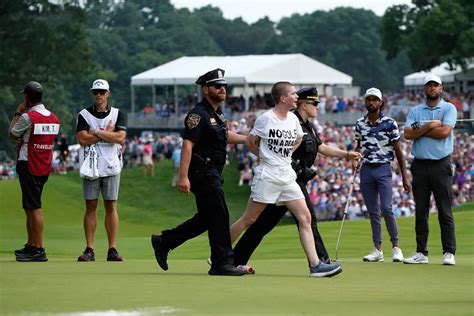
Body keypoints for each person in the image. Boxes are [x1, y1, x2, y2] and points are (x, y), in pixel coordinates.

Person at [233, 87, 361, 267]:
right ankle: (223, 255)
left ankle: (317, 264)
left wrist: (347, 155)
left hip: (289, 178)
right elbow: (256, 142)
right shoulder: (278, 120)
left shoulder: (305, 125)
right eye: (314, 103)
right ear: (304, 105)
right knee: (259, 220)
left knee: (272, 223)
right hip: (282, 175)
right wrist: (265, 157)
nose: (318, 106)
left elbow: (320, 148)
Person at [151, 68, 248, 276]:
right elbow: (187, 145)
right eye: (217, 86)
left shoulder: (217, 113)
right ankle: (221, 263)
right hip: (202, 170)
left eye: (224, 86)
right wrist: (183, 176)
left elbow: (224, 135)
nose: (222, 89)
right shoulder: (198, 114)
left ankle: (164, 241)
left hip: (212, 171)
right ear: (206, 89)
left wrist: (247, 138)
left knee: (206, 218)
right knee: (220, 213)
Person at [403, 74, 457, 265]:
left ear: (441, 88)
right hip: (419, 164)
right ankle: (421, 253)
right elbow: (408, 134)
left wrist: (421, 130)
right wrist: (430, 125)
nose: (432, 88)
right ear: (424, 89)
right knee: (421, 210)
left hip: (441, 164)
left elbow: (444, 132)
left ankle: (449, 252)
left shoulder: (449, 108)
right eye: (429, 85)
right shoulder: (416, 110)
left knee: (445, 210)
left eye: (435, 85)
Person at [354, 87, 411, 263]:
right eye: (368, 99)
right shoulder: (359, 124)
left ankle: (396, 247)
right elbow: (358, 146)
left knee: (386, 208)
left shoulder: (390, 123)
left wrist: (404, 176)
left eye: (374, 99)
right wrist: (354, 158)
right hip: (366, 170)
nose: (371, 102)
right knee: (373, 211)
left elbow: (399, 151)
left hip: (384, 169)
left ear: (381, 103)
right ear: (365, 102)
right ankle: (377, 250)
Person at [76, 79, 127, 262]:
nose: (99, 95)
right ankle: (89, 248)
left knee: (110, 205)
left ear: (107, 93)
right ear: (93, 93)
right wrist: (107, 133)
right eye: (96, 92)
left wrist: (96, 132)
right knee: (91, 205)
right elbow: (82, 139)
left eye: (102, 92)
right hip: (91, 164)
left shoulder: (117, 114)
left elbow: (120, 138)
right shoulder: (83, 114)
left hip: (111, 165)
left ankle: (112, 248)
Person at [8, 81, 60, 262]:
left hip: (28, 164)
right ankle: (31, 244)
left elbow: (12, 134)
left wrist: (17, 112)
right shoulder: (53, 117)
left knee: (34, 208)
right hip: (44, 166)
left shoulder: (27, 117)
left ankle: (38, 249)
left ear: (27, 98)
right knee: (30, 207)